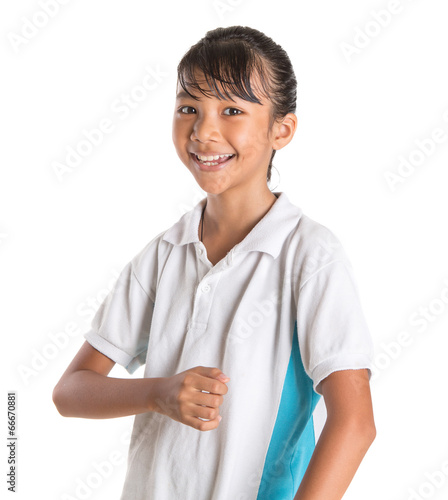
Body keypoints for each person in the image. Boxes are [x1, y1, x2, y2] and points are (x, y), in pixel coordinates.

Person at [52, 25, 376, 500]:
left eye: (232, 110)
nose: (204, 131)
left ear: (281, 129)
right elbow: (70, 391)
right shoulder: (165, 253)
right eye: (189, 108)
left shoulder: (310, 255)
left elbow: (355, 423)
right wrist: (158, 393)